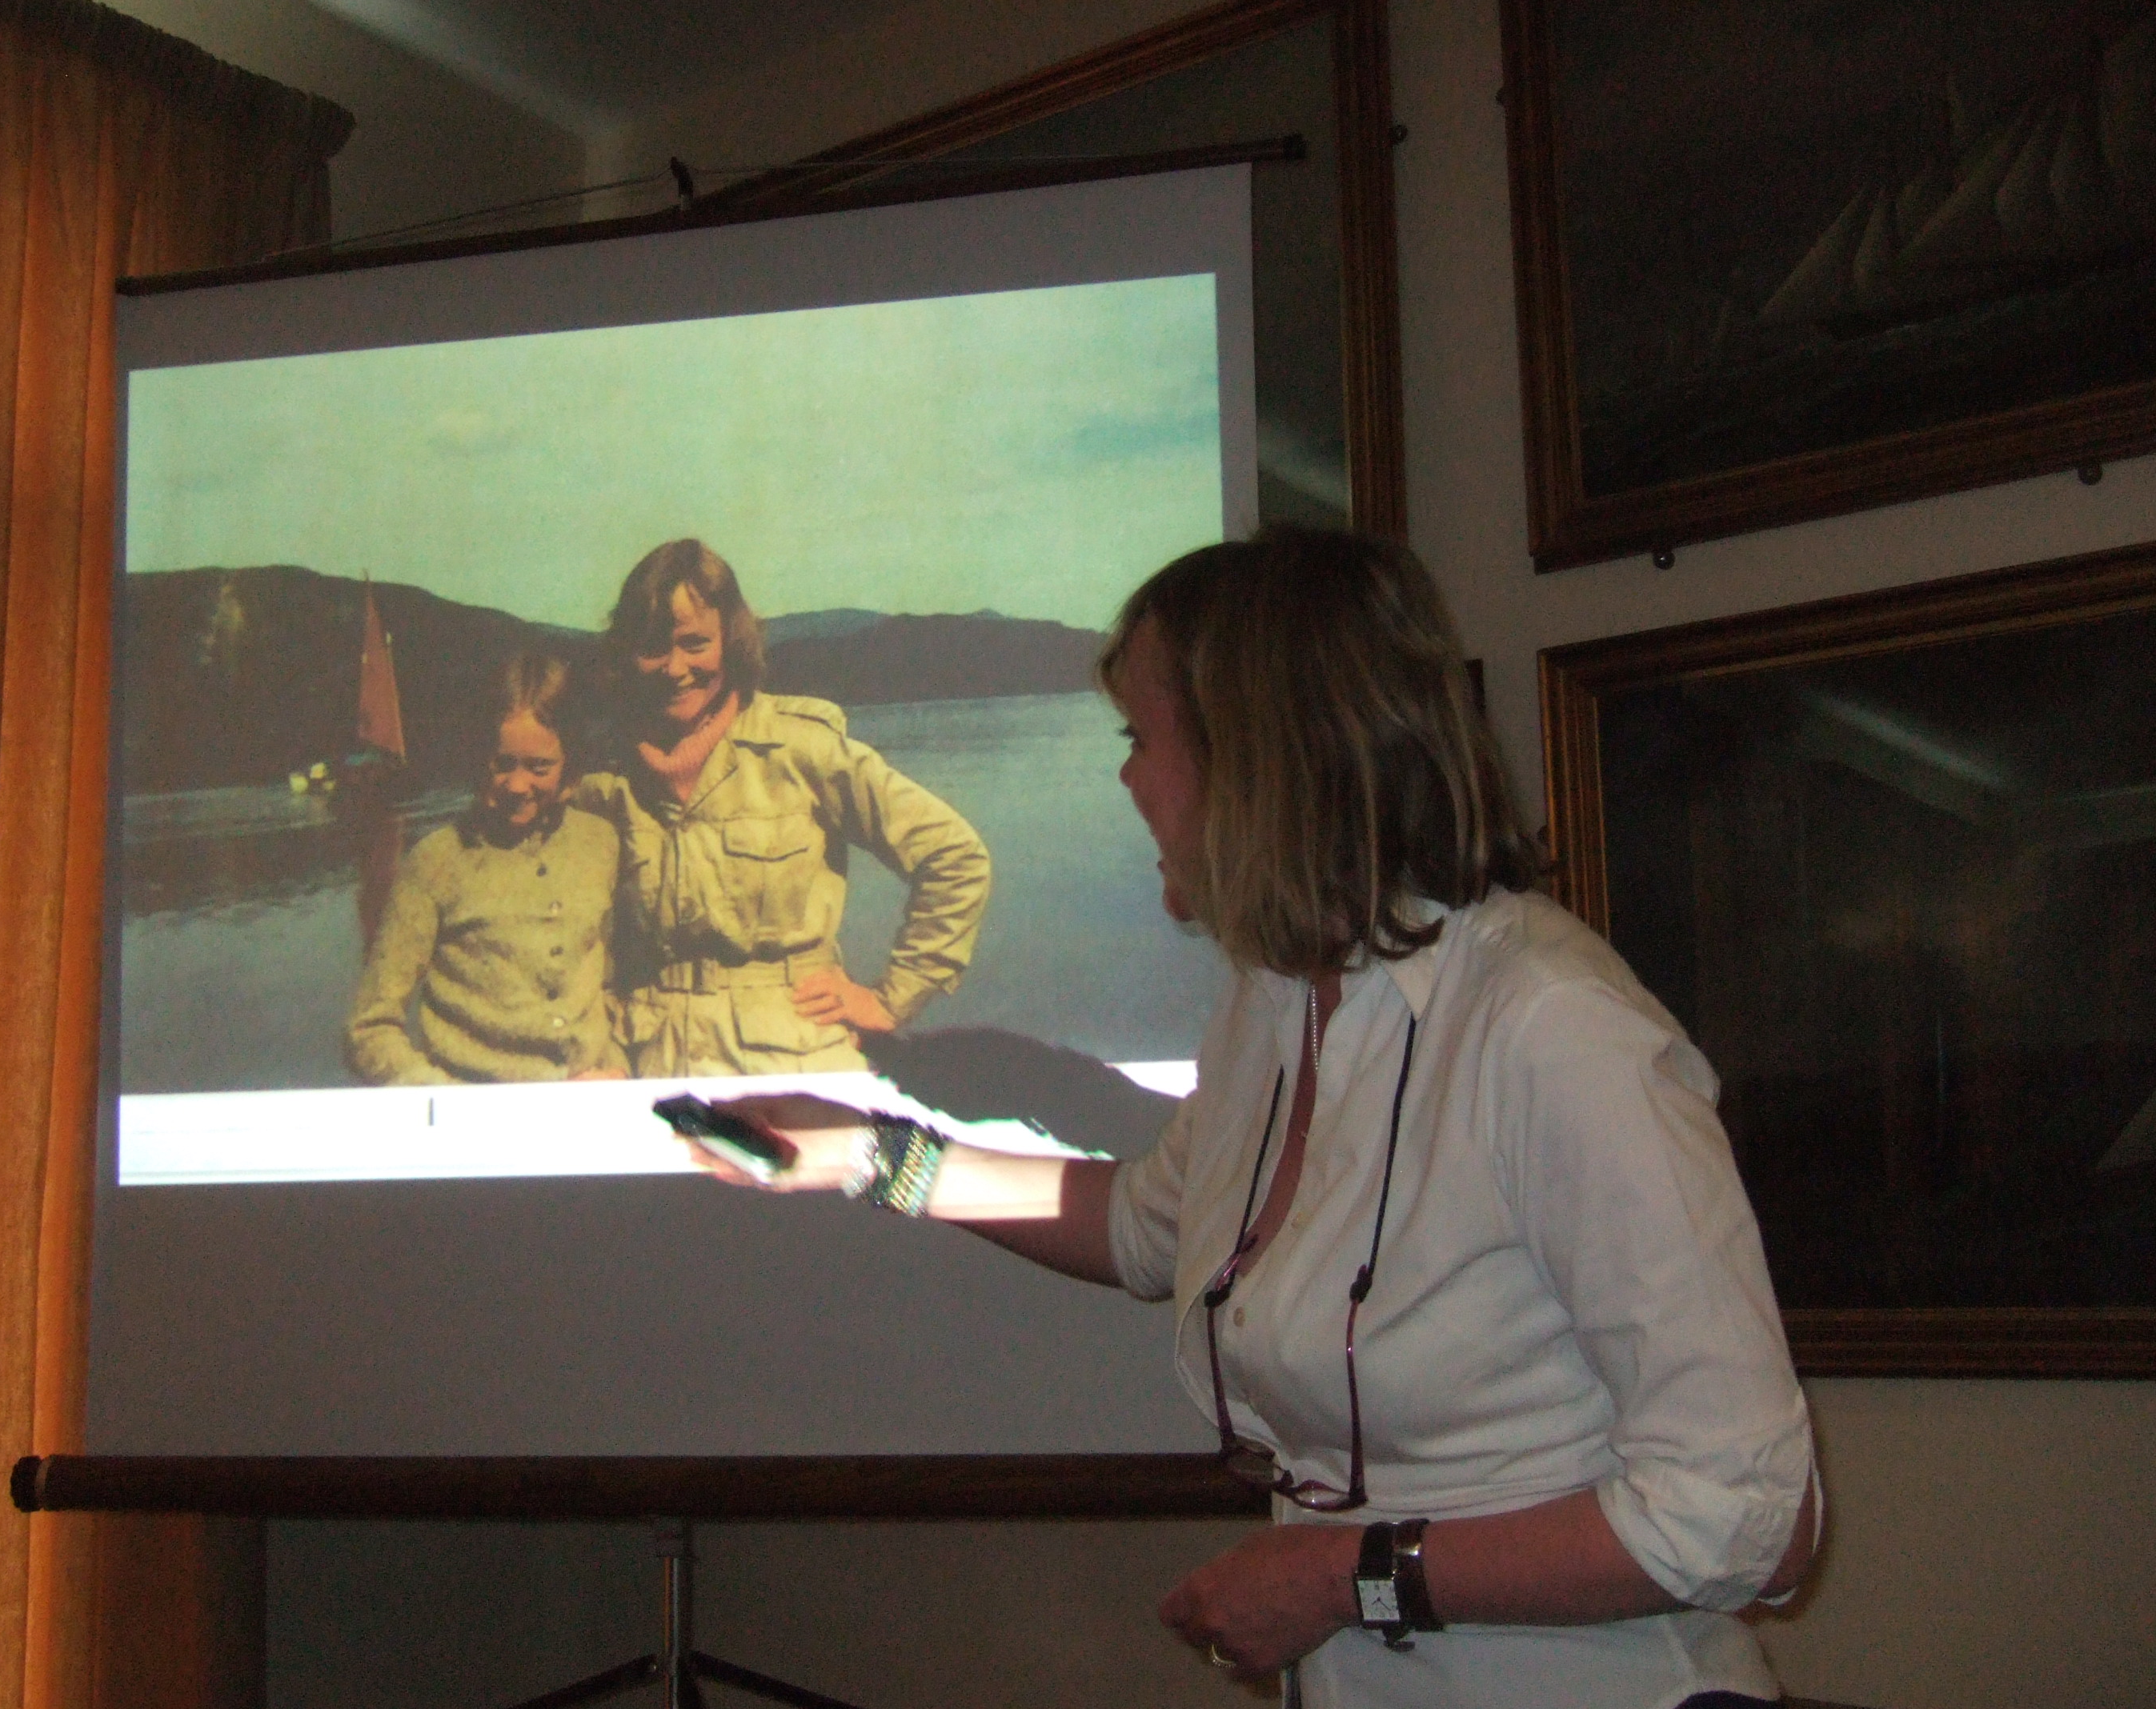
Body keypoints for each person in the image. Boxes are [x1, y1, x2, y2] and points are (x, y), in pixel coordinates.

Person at [694, 529, 1818, 1709]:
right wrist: (867, 1158)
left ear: (1261, 754)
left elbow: (1747, 1519)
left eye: (1142, 738)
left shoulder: (1551, 1026)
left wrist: (1347, 1579)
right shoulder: (1275, 1006)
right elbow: (1142, 1225)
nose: (1126, 779)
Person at [574, 538, 991, 1078]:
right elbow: (575, 942)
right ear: (627, 653)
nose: (675, 668)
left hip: (796, 1061)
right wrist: (597, 1051)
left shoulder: (803, 749)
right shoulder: (600, 781)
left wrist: (890, 1000)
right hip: (646, 1067)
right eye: (653, 646)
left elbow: (956, 858)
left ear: (730, 641)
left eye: (695, 643)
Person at [345, 651, 625, 1085]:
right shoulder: (434, 861)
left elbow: (611, 985)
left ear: (571, 765)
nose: (517, 785)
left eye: (539, 767)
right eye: (502, 764)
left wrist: (616, 1067)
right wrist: (447, 1100)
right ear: (478, 756)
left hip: (590, 1108)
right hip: (476, 1120)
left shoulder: (601, 844)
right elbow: (369, 1028)